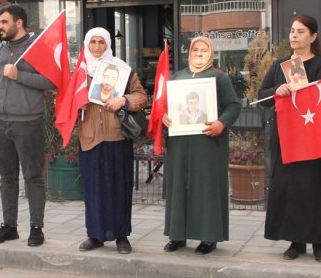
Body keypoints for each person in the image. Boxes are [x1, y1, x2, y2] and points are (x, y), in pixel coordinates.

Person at [258, 15, 321, 263]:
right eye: (292, 31)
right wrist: (277, 91)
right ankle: (296, 242)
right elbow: (262, 95)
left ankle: (319, 242)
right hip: (287, 139)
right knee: (291, 190)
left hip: (315, 140)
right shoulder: (279, 65)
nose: (294, 35)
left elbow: (320, 94)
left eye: (300, 31)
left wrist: (296, 79)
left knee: (315, 190)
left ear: (313, 37)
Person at [0, 5, 56, 247]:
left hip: (28, 123)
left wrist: (19, 75)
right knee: (6, 177)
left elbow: (51, 81)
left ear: (19, 22)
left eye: (4, 22)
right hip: (0, 122)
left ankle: (36, 228)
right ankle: (9, 226)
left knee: (33, 177)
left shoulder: (38, 48)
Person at [162, 36, 241, 255]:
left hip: (208, 144)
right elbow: (168, 108)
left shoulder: (219, 77)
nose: (198, 53)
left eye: (203, 50)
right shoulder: (177, 77)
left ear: (211, 53)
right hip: (179, 145)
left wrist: (221, 123)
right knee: (178, 187)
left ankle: (208, 237)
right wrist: (166, 117)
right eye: (195, 49)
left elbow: (234, 106)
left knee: (206, 188)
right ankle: (177, 235)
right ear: (189, 52)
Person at [75, 27, 147, 254]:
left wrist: (124, 100)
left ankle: (121, 236)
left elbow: (142, 97)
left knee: (119, 188)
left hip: (117, 137)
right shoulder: (79, 71)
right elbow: (66, 102)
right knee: (93, 190)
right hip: (90, 138)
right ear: (87, 45)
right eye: (93, 42)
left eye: (101, 43)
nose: (97, 47)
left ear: (108, 45)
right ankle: (95, 235)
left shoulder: (122, 69)